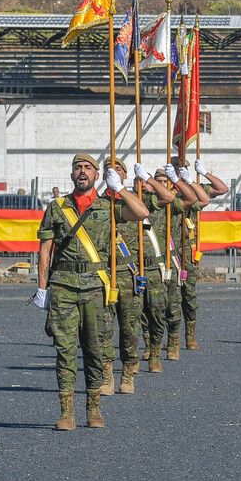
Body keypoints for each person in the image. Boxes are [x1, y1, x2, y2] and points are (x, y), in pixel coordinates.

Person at [34, 153, 149, 431]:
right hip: (63, 285)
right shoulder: (57, 208)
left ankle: (94, 407)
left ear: (97, 175)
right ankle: (66, 412)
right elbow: (45, 251)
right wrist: (41, 288)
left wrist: (119, 188)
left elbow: (142, 213)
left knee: (95, 350)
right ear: (72, 175)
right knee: (64, 350)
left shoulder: (108, 206)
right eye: (77, 168)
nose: (82, 172)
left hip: (95, 287)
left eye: (88, 168)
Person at [98, 157, 178, 395]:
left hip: (129, 272)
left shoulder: (137, 200)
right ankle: (106, 375)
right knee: (103, 328)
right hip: (104, 273)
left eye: (118, 170)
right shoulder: (99, 203)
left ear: (123, 176)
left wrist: (146, 178)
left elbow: (168, 198)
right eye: (109, 170)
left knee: (130, 327)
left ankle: (129, 372)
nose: (114, 172)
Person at [144, 164, 206, 370]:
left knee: (173, 303)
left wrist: (185, 180)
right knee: (149, 307)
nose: (162, 185)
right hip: (150, 261)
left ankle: (174, 340)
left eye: (165, 181)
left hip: (173, 260)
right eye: (158, 181)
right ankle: (149, 343)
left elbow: (201, 200)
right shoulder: (147, 203)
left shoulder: (175, 203)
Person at [175, 158, 227, 352]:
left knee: (188, 294)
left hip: (188, 251)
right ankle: (170, 337)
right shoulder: (169, 189)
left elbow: (222, 189)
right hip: (168, 248)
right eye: (177, 169)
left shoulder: (196, 188)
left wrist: (203, 173)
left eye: (183, 169)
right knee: (167, 297)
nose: (180, 172)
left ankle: (190, 335)